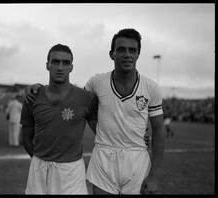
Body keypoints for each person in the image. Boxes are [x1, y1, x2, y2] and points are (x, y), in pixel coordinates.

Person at [23, 28, 164, 195]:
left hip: (137, 157)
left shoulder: (151, 88)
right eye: (121, 50)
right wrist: (35, 89)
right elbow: (71, 100)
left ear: (138, 54)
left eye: (132, 50)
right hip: (103, 156)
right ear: (112, 54)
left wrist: (154, 174)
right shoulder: (96, 83)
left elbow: (159, 130)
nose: (127, 54)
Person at [20, 44, 98, 194]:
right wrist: (41, 160)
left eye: (65, 63)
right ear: (47, 65)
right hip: (38, 170)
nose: (60, 67)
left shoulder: (86, 98)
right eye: (55, 62)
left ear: (71, 67)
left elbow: (104, 131)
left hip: (71, 171)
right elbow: (26, 138)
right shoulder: (32, 97)